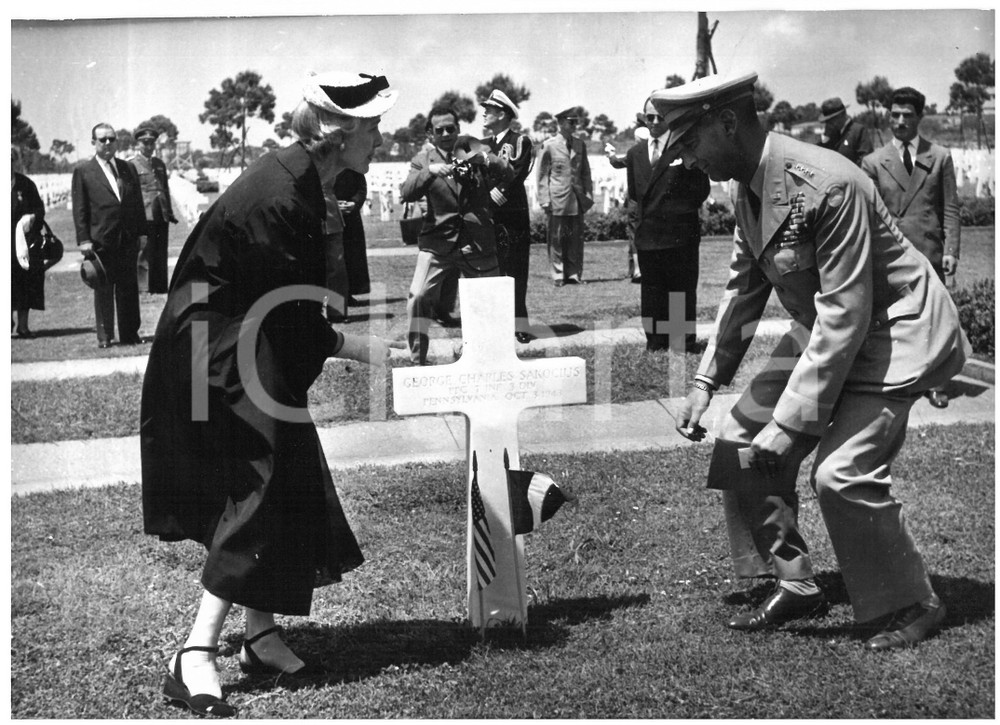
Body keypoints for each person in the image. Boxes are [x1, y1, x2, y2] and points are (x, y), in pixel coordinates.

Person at [660, 72, 967, 652]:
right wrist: (706, 378)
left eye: (690, 142)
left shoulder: (828, 182)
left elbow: (849, 311)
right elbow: (744, 288)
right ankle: (796, 580)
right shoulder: (741, 186)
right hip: (828, 328)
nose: (687, 158)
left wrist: (789, 421)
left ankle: (913, 601)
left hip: (894, 332)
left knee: (840, 473)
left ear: (728, 123)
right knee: (736, 440)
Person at [140, 71, 400, 717]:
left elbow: (303, 300)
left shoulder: (315, 181)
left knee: (287, 469)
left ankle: (258, 633)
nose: (380, 135)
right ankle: (195, 653)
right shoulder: (282, 193)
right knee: (263, 473)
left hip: (247, 333)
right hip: (214, 343)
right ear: (341, 134)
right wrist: (363, 349)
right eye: (372, 126)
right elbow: (290, 315)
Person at [861, 85, 961, 409]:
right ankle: (896, 378)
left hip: (929, 251)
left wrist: (951, 250)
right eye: (895, 114)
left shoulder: (940, 156)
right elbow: (871, 213)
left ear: (920, 117)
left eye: (907, 115)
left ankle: (937, 384)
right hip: (892, 255)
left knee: (935, 318)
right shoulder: (873, 162)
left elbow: (951, 208)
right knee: (893, 318)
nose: (900, 121)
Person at [399, 105, 511, 364]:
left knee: (490, 302)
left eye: (451, 128)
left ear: (459, 129)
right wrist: (430, 172)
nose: (447, 133)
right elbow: (406, 193)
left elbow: (508, 172)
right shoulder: (422, 160)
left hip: (477, 242)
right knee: (418, 296)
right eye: (440, 130)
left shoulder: (475, 148)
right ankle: (417, 360)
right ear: (430, 134)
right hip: (438, 244)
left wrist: (487, 160)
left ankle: (488, 358)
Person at [606, 96, 710, 352]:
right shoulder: (635, 153)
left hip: (679, 236)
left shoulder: (685, 148)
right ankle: (655, 342)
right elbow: (635, 194)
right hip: (648, 235)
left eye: (658, 117)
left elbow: (700, 190)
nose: (653, 122)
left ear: (670, 119)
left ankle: (680, 343)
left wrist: (676, 215)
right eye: (648, 117)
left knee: (680, 292)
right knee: (652, 293)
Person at [71, 122, 147, 348]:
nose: (107, 143)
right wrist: (84, 239)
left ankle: (130, 334)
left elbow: (137, 203)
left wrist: (142, 232)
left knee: (128, 288)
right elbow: (80, 208)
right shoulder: (84, 171)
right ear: (93, 142)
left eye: (111, 139)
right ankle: (105, 337)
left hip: (127, 238)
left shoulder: (128, 168)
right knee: (103, 288)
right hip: (100, 240)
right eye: (102, 139)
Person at [481, 89, 535, 343]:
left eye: (489, 110)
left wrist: (496, 194)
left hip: (512, 215)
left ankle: (519, 323)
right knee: (495, 269)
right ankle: (498, 323)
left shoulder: (519, 140)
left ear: (501, 114)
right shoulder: (485, 145)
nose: (484, 113)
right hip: (490, 217)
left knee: (515, 269)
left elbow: (517, 171)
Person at [536, 107, 593, 286]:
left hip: (576, 198)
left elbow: (585, 172)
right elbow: (542, 174)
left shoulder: (579, 144)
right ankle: (558, 274)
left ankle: (574, 274)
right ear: (560, 123)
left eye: (576, 122)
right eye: (571, 122)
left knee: (575, 238)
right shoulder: (549, 145)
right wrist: (544, 199)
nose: (574, 125)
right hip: (558, 198)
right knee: (557, 238)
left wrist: (588, 195)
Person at [129, 124, 178, 294]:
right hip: (144, 214)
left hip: (161, 213)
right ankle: (144, 288)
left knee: (160, 250)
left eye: (151, 143)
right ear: (138, 144)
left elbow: (164, 188)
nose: (149, 146)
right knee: (144, 251)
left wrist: (169, 212)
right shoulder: (132, 165)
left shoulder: (159, 164)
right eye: (145, 143)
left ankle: (160, 286)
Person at [606, 112, 651, 283]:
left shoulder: (632, 153)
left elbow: (617, 163)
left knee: (634, 235)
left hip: (634, 200)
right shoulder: (654, 154)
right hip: (649, 200)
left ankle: (636, 270)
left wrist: (610, 154)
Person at [11, 146, 47, 338]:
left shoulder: (25, 184)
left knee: (24, 282)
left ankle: (23, 326)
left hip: (22, 243)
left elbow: (40, 210)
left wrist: (31, 218)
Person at [333, 168, 371, 305]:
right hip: (329, 215)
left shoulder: (353, 165)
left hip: (351, 217)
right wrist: (332, 205)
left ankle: (348, 293)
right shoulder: (324, 163)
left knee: (352, 255)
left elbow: (361, 188)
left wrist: (354, 203)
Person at [816, 97, 873, 165]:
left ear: (841, 115)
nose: (829, 124)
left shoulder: (858, 131)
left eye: (831, 120)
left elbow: (866, 160)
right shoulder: (832, 135)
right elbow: (819, 156)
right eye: (827, 121)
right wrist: (825, 139)